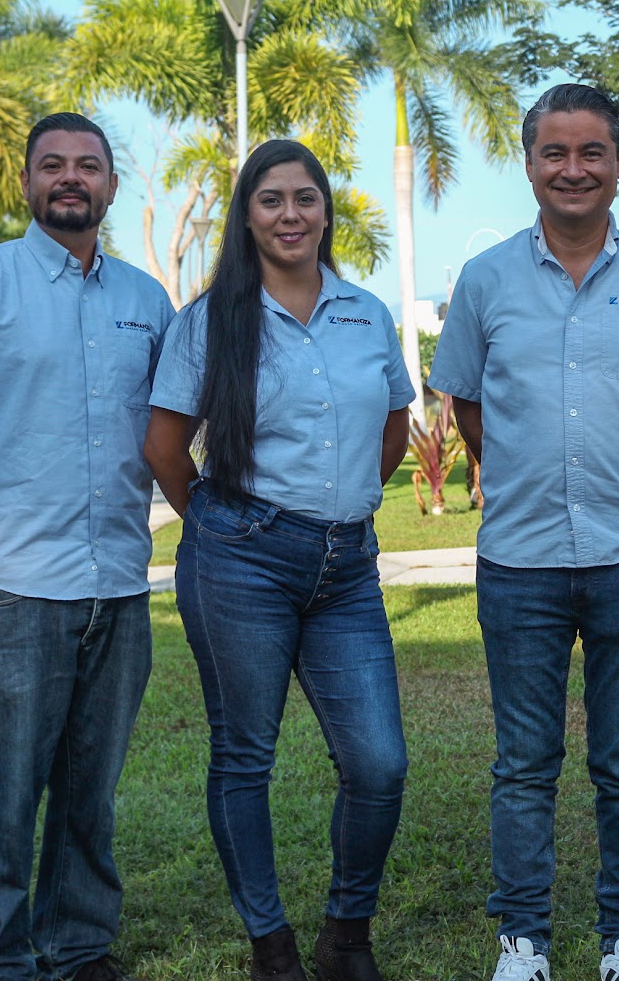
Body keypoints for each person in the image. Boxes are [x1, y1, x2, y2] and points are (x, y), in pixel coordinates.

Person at [428, 83, 619, 981]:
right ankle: (523, 941)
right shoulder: (485, 279)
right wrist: (521, 472)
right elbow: (468, 401)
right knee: (523, 763)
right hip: (518, 559)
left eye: (591, 151)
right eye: (554, 152)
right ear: (529, 165)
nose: (573, 168)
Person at [0, 112, 175, 981]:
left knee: (91, 785)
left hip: (118, 583)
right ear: (26, 182)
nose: (70, 177)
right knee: (6, 789)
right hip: (15, 586)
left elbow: (171, 425)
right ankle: (0, 956)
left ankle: (77, 944)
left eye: (88, 164)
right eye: (52, 164)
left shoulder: (146, 302)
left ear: (112, 185)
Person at [143, 139, 412, 981]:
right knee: (244, 754)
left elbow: (392, 427)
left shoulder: (367, 312)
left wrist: (339, 506)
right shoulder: (210, 320)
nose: (289, 214)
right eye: (270, 199)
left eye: (304, 197)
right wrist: (222, 526)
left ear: (326, 211)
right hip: (241, 561)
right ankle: (272, 945)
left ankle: (346, 936)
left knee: (378, 762)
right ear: (247, 216)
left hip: (347, 567)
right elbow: (164, 447)